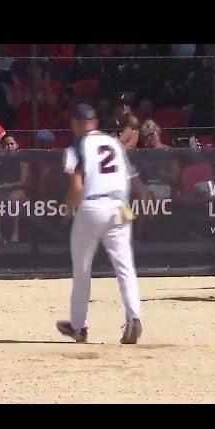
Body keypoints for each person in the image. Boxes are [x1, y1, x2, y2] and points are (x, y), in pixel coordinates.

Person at [56, 103, 142, 344]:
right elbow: (129, 178)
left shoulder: (77, 146)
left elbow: (76, 187)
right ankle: (134, 316)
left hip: (92, 206)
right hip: (119, 206)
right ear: (94, 121)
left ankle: (78, 326)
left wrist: (68, 210)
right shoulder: (113, 143)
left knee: (82, 270)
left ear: (76, 123)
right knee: (125, 267)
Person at [0, 134, 29, 243]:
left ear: (17, 145)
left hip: (19, 190)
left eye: (12, 144)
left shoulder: (22, 160)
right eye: (6, 145)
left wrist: (4, 186)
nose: (9, 147)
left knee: (14, 200)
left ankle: (15, 235)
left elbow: (22, 182)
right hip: (2, 191)